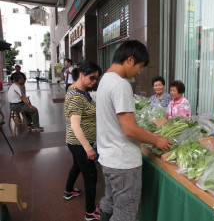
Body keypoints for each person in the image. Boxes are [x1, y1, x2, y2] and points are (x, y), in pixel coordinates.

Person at [96, 40, 172, 221]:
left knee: (109, 201)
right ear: (130, 59)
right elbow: (129, 129)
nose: (138, 72)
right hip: (123, 163)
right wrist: (156, 140)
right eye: (139, 67)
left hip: (108, 157)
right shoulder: (120, 84)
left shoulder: (105, 79)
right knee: (125, 215)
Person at [64, 61, 102, 221]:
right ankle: (90, 211)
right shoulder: (75, 95)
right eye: (92, 77)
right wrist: (88, 148)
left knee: (77, 166)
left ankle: (69, 191)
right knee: (91, 175)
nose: (94, 81)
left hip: (77, 142)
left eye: (96, 79)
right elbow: (75, 126)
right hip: (79, 143)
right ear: (81, 74)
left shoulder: (82, 92)